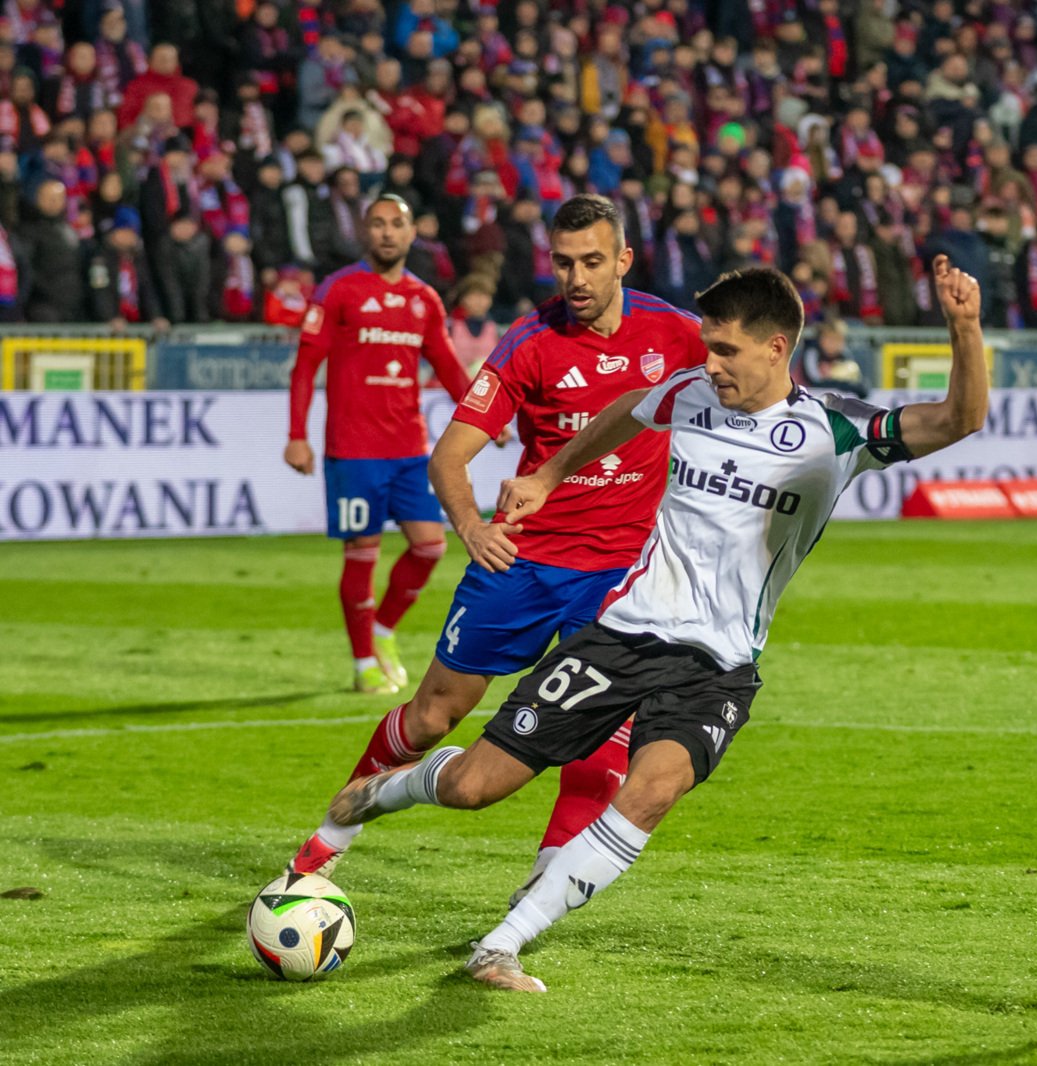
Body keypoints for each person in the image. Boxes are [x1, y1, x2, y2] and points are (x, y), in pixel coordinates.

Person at [317, 257, 987, 993]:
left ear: (776, 348)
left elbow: (959, 419)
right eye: (707, 344)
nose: (710, 362)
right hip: (623, 635)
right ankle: (389, 791)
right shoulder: (690, 392)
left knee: (651, 789)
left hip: (720, 666)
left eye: (726, 349)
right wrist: (548, 475)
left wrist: (965, 330)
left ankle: (501, 944)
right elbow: (631, 409)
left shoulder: (838, 430)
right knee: (477, 785)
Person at [286, 195, 706, 885]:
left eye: (592, 262)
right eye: (564, 263)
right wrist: (472, 526)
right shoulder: (529, 341)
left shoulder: (675, 332)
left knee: (601, 732)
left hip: (619, 572)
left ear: (624, 260)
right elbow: (449, 458)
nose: (576, 278)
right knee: (432, 715)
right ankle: (332, 834)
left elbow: (752, 374)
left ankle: (536, 899)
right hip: (525, 561)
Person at [284, 195, 470, 696]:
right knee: (361, 552)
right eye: (378, 224)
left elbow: (448, 364)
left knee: (430, 546)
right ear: (365, 233)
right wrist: (297, 435)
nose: (388, 233)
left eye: (397, 225)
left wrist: (482, 414)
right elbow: (305, 366)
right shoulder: (339, 289)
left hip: (409, 447)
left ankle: (384, 630)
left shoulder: (424, 299)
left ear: (412, 234)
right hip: (353, 450)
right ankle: (363, 659)